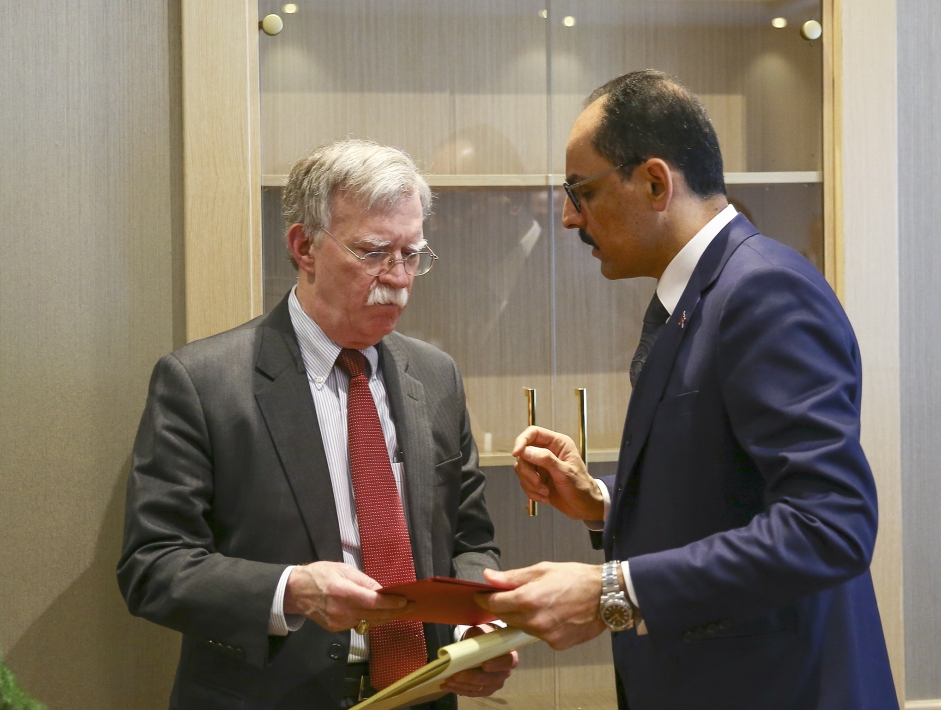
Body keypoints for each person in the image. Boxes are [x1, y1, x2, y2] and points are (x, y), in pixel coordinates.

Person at [477, 70, 898, 709]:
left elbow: (829, 524)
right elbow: (734, 490)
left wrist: (609, 591)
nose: (568, 218)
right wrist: (602, 501)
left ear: (654, 182)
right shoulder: (697, 294)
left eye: (580, 191)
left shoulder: (762, 291)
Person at [118, 140, 516, 709]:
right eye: (375, 253)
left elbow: (471, 541)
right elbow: (152, 566)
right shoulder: (202, 382)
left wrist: (478, 629)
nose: (398, 278)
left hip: (421, 693)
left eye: (412, 254)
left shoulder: (436, 375)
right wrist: (291, 591)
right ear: (304, 247)